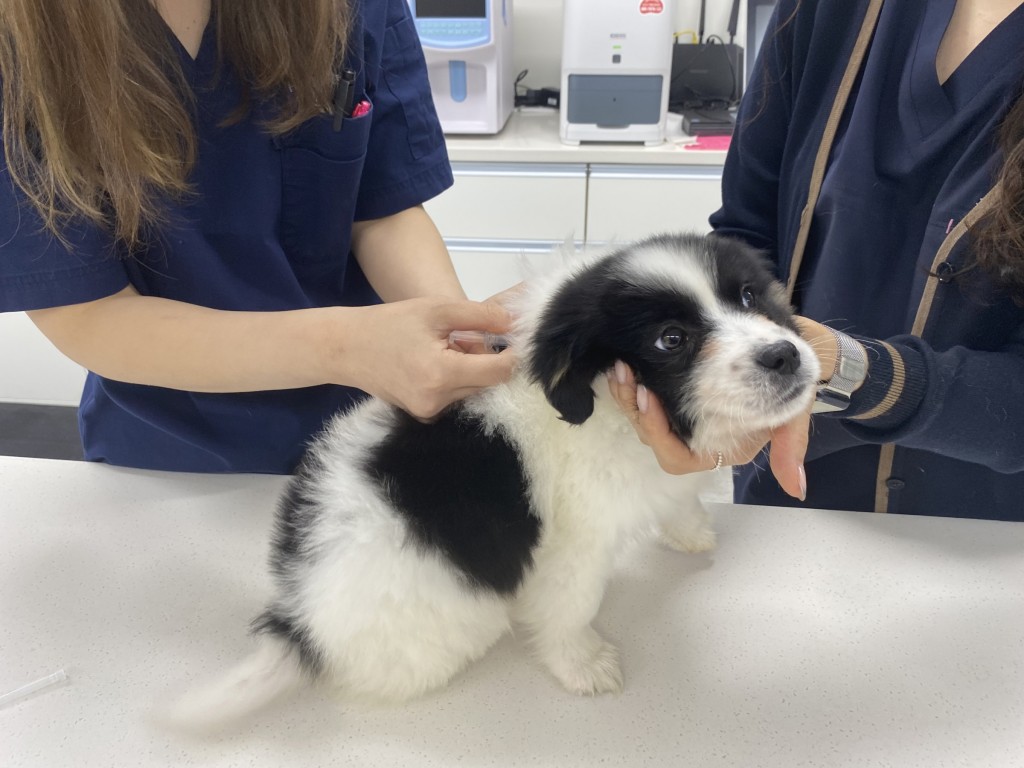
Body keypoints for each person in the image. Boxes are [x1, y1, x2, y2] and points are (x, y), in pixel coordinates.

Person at [0, 0, 514, 474]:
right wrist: (347, 346)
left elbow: (382, 208)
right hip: (168, 454)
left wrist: (455, 335)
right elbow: (87, 313)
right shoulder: (30, 31)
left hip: (368, 434)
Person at [610, 0, 1024, 521]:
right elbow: (747, 235)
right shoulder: (826, 12)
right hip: (784, 502)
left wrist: (856, 373)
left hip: (982, 539)